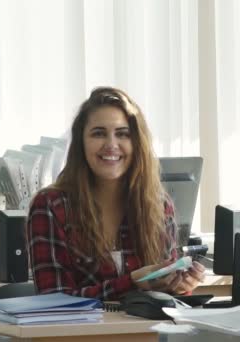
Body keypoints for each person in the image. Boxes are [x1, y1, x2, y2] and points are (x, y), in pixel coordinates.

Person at [26, 87, 205, 300]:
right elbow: (53, 301)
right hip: (80, 333)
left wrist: (180, 285)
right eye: (99, 133)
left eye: (123, 134)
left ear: (137, 143)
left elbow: (165, 293)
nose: (111, 145)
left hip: (145, 332)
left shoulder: (159, 205)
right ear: (80, 143)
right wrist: (131, 283)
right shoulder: (50, 206)